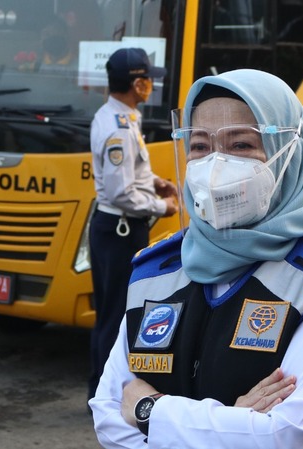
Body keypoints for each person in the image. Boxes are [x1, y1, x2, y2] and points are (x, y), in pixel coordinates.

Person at [89, 69, 303, 448]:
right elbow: (107, 413)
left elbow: (287, 436)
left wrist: (152, 410)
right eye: (199, 146)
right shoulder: (158, 270)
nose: (216, 165)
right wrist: (235, 422)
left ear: (292, 154)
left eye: (242, 145)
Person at [88, 47, 179, 401]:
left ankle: (100, 392)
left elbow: (131, 171)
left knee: (111, 313)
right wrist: (164, 205)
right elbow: (121, 191)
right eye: (147, 80)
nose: (151, 86)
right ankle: (102, 396)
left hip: (115, 227)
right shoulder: (119, 129)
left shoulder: (119, 115)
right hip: (121, 229)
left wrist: (155, 181)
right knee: (115, 318)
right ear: (136, 83)